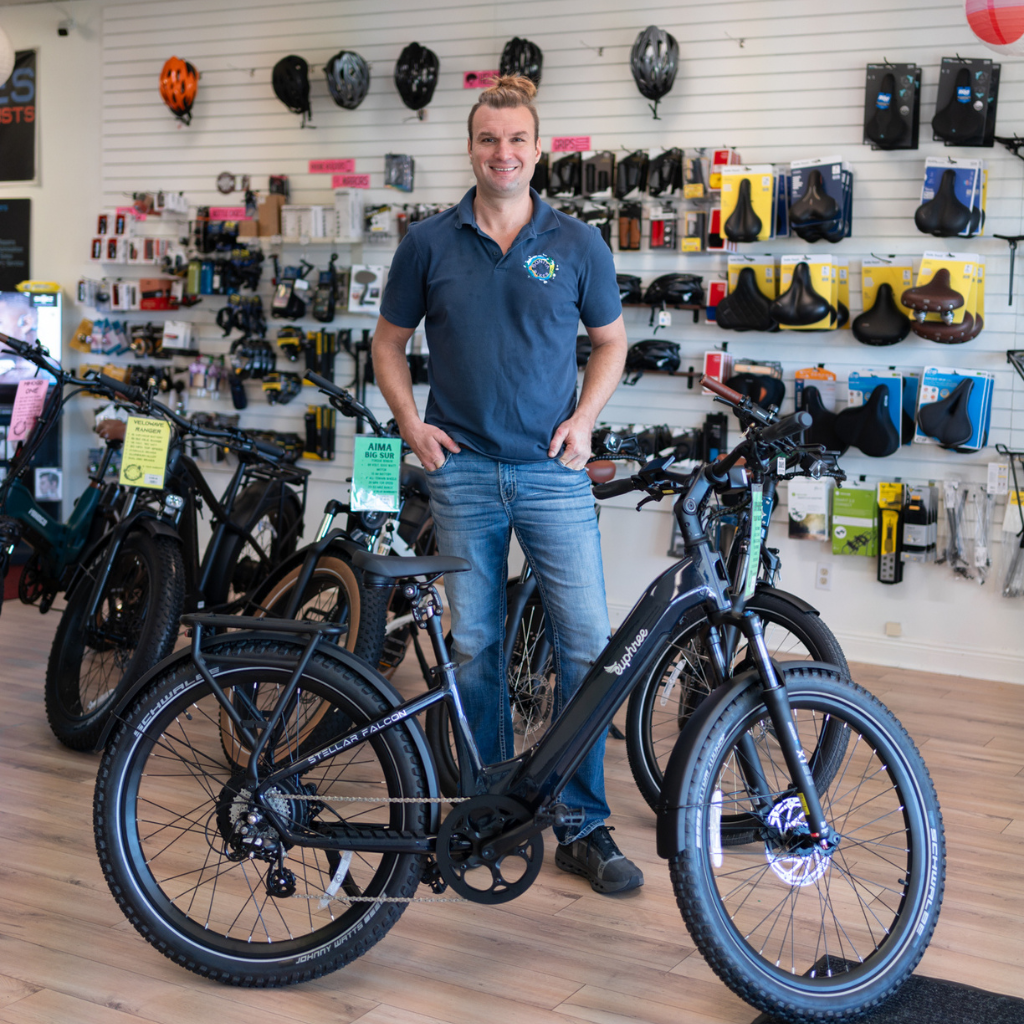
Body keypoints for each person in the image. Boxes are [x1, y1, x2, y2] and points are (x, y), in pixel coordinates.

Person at [372, 75, 641, 894]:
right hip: (462, 476)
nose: (504, 153)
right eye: (490, 139)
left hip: (553, 475)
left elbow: (612, 342)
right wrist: (413, 425)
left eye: (517, 139)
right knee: (476, 647)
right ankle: (489, 809)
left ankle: (584, 825)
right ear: (472, 147)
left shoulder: (578, 243)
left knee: (589, 649)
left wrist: (586, 419)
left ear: (537, 147)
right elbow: (388, 345)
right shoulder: (428, 242)